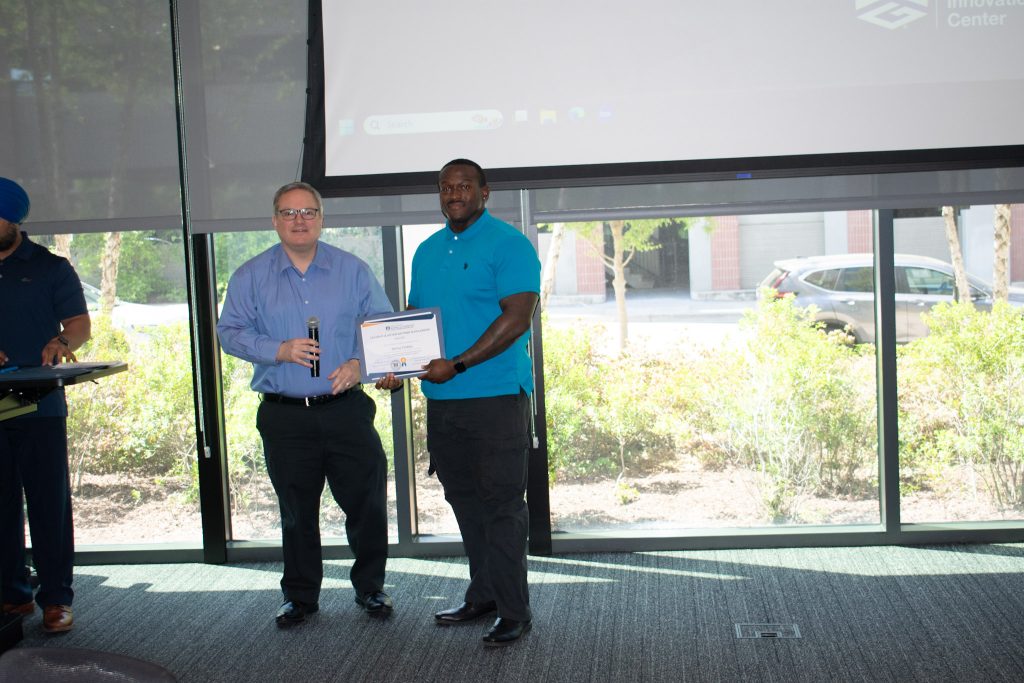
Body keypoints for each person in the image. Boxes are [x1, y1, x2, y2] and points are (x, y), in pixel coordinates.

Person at [217, 181, 395, 628]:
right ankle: (300, 596)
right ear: (275, 220)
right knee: (297, 511)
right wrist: (276, 349)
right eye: (288, 212)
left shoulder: (353, 270)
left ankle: (371, 587)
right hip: (285, 415)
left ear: (321, 218)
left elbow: (382, 327)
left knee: (366, 504)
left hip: (346, 410)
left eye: (307, 212)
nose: (299, 220)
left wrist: (360, 363)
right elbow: (229, 332)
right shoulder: (250, 275)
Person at [378, 159, 540, 646]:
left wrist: (460, 364)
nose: (454, 194)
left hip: (495, 400)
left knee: (503, 506)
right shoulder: (426, 250)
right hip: (444, 402)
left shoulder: (510, 245)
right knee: (464, 501)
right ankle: (484, 593)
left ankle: (514, 610)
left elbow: (518, 319)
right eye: (446, 188)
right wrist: (396, 365)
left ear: (484, 193)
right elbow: (414, 319)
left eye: (464, 186)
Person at [0, 177, 91, 634]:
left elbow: (79, 323)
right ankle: (12, 596)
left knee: (47, 503)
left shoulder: (51, 267)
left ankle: (56, 598)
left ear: (14, 220)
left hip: (38, 403)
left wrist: (60, 340)